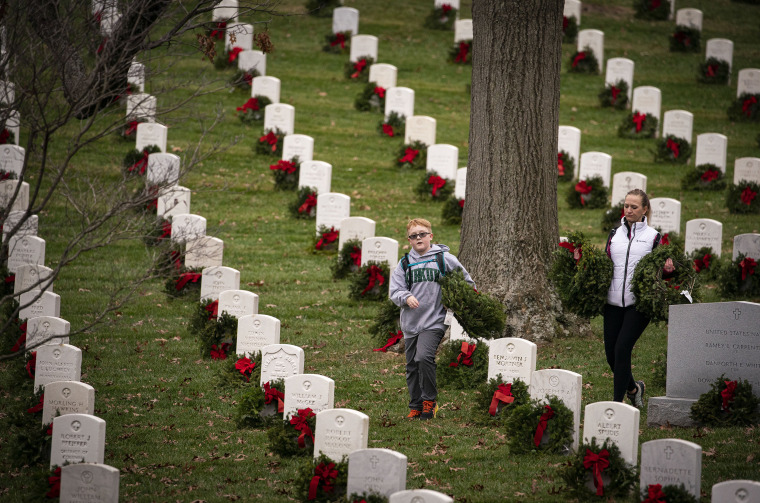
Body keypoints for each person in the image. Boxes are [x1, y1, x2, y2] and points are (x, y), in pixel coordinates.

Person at [389, 218, 475, 420]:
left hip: (434, 320)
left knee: (424, 357)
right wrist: (406, 297)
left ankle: (429, 401)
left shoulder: (444, 259)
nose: (418, 238)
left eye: (422, 234)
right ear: (409, 239)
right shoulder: (404, 263)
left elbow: (467, 282)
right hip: (410, 323)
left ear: (430, 236)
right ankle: (415, 405)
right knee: (411, 365)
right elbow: (395, 291)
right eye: (413, 235)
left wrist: (456, 299)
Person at [604, 189, 674, 408]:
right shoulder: (615, 234)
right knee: (611, 356)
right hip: (613, 302)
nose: (629, 210)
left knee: (622, 349)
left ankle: (617, 405)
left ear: (645, 209)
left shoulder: (653, 237)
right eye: (626, 206)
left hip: (639, 304)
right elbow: (606, 264)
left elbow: (663, 269)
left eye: (634, 207)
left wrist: (668, 269)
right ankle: (634, 389)